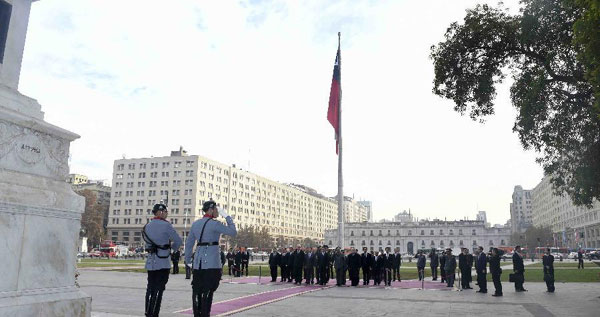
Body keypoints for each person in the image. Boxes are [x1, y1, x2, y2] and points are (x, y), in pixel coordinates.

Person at [184, 200, 237, 317]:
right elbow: (233, 232)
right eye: (217, 210)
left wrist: (187, 260)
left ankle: (197, 314)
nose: (218, 212)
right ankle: (205, 314)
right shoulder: (215, 224)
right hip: (212, 263)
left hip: (198, 263)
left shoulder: (196, 224)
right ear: (211, 209)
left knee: (197, 291)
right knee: (208, 290)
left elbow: (189, 244)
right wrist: (227, 217)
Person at [143, 203, 182, 317]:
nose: (166, 214)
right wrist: (171, 249)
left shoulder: (147, 226)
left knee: (150, 288)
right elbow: (178, 241)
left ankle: (147, 311)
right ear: (160, 212)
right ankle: (154, 313)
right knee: (159, 289)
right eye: (165, 212)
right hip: (163, 261)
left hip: (151, 261)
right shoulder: (166, 225)